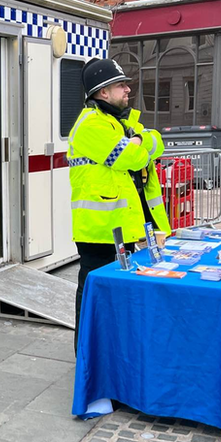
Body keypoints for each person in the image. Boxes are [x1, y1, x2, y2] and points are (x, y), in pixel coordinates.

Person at [67, 58, 170, 355]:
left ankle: (114, 361)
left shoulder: (121, 123)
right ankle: (89, 363)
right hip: (99, 235)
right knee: (94, 303)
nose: (128, 89)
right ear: (102, 93)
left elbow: (156, 141)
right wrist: (140, 142)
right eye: (120, 85)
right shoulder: (91, 126)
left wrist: (141, 139)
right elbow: (133, 158)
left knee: (119, 303)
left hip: (125, 231)